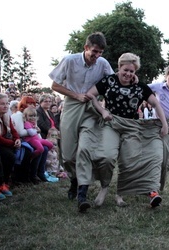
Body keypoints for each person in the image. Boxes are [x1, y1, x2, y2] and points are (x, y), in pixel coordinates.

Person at [87, 52, 169, 208]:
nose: (128, 74)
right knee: (106, 156)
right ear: (119, 67)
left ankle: (120, 193)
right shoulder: (108, 81)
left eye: (132, 71)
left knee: (128, 161)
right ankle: (104, 187)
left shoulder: (140, 86)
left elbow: (156, 104)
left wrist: (164, 124)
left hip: (131, 126)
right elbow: (90, 95)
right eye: (126, 70)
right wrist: (103, 111)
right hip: (112, 123)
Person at [49, 32, 115, 207]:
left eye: (100, 52)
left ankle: (82, 192)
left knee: (84, 150)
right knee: (69, 154)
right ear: (86, 48)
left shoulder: (103, 63)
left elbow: (113, 82)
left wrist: (133, 78)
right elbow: (55, 85)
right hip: (72, 104)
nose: (97, 56)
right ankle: (74, 179)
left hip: (91, 108)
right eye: (94, 51)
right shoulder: (70, 60)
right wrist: (76, 95)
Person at [11, 96, 49, 183]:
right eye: (29, 103)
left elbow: (36, 130)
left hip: (31, 138)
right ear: (23, 104)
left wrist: (37, 131)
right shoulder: (19, 115)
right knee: (38, 149)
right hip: (23, 140)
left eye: (33, 103)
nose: (31, 105)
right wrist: (35, 131)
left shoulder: (31, 114)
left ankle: (39, 173)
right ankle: (32, 175)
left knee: (45, 148)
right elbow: (21, 132)